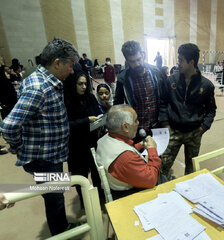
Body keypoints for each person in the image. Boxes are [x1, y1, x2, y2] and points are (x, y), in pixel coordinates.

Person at [0, 38, 80, 235]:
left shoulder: (47, 80)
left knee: (56, 194)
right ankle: (61, 233)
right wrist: (18, 146)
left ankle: (60, 227)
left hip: (50, 154)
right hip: (44, 158)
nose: (72, 71)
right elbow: (8, 126)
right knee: (55, 198)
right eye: (70, 66)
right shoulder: (39, 88)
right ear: (57, 63)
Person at [159, 43, 217, 178]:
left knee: (191, 171)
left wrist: (203, 128)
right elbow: (163, 103)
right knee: (162, 167)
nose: (178, 63)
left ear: (191, 62)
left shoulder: (206, 86)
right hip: (173, 131)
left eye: (181, 60)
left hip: (194, 133)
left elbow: (211, 110)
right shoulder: (171, 81)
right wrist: (166, 125)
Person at [96, 105, 162, 199]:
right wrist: (152, 149)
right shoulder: (125, 157)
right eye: (135, 120)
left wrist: (140, 145)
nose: (138, 123)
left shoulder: (104, 139)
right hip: (130, 195)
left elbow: (123, 148)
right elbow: (151, 180)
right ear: (125, 127)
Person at [63, 68, 103, 206]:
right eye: (80, 84)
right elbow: (66, 124)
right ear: (73, 83)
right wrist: (86, 120)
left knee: (97, 172)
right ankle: (84, 200)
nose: (84, 87)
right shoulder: (65, 101)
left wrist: (101, 119)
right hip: (75, 145)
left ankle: (100, 196)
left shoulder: (90, 97)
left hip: (92, 141)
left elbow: (97, 113)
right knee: (80, 176)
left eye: (86, 84)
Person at [114, 41, 166, 142]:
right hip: (136, 130)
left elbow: (164, 99)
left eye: (139, 59)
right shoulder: (123, 79)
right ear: (127, 61)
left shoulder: (156, 73)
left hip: (157, 126)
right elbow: (118, 104)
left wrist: (165, 121)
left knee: (157, 156)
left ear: (143, 55)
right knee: (137, 156)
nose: (137, 64)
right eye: (132, 61)